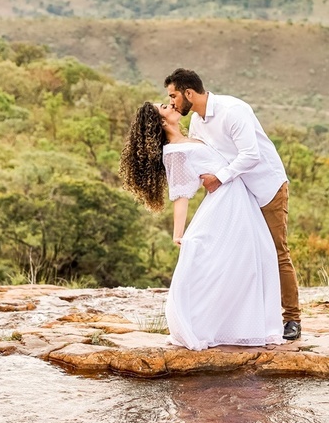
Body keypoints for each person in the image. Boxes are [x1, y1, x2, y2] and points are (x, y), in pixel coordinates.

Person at [120, 102, 284, 350]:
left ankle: (247, 325)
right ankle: (202, 324)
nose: (172, 105)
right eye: (164, 106)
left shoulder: (194, 137)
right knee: (223, 265)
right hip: (224, 207)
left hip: (238, 200)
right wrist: (178, 233)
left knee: (255, 260)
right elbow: (181, 194)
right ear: (161, 122)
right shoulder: (174, 152)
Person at [164, 68, 302, 341]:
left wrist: (220, 177)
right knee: (243, 257)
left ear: (189, 93)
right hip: (234, 197)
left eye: (174, 96)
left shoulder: (233, 110)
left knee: (276, 252)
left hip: (265, 188)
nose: (171, 103)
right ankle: (246, 321)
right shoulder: (196, 124)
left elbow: (250, 155)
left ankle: (292, 318)